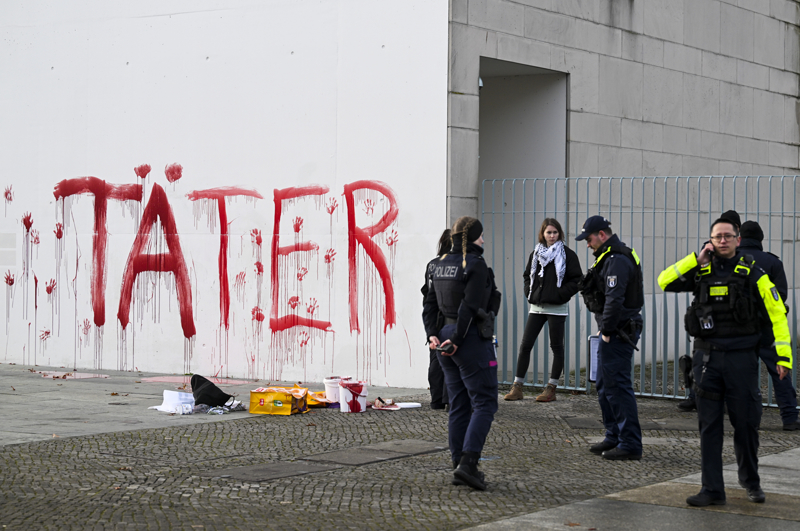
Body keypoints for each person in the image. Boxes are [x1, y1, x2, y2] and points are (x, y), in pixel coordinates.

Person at [658, 218, 793, 507]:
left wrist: (783, 356)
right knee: (709, 426)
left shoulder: (753, 273)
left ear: (737, 239)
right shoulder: (700, 270)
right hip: (707, 360)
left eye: (727, 236)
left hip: (742, 360)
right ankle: (712, 489)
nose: (722, 241)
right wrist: (695, 258)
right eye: (717, 237)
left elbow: (777, 313)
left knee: (745, 425)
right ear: (711, 240)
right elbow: (663, 280)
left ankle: (751, 481)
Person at [422, 216, 501, 490]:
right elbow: (470, 306)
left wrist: (432, 334)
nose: (484, 241)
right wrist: (456, 339)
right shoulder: (475, 264)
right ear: (472, 238)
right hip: (467, 339)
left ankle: (459, 463)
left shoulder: (439, 264)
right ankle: (468, 463)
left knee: (458, 402)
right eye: (481, 236)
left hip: (444, 337)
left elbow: (430, 303)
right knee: (485, 401)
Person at [576, 215, 644, 461]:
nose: (588, 244)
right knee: (605, 385)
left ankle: (630, 443)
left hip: (618, 331)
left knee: (617, 387)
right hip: (612, 330)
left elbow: (615, 300)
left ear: (602, 234)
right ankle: (613, 435)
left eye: (589, 238)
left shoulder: (616, 259)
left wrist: (606, 330)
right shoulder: (609, 257)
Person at [504, 218, 582, 402]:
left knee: (556, 347)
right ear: (543, 234)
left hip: (557, 308)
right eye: (549, 232)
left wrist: (559, 294)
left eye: (555, 232)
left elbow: (577, 280)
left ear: (560, 234)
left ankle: (551, 388)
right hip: (537, 306)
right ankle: (517, 387)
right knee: (525, 345)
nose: (552, 236)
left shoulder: (568, 255)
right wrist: (529, 293)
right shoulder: (536, 254)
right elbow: (526, 276)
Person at [677, 210, 742, 412]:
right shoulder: (709, 249)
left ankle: (716, 399)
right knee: (700, 360)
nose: (722, 239)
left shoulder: (739, 252)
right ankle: (696, 396)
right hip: (706, 311)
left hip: (731, 315)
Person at [738, 220, 799, 431]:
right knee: (779, 371)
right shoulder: (772, 262)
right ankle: (790, 416)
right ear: (760, 240)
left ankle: (743, 416)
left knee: (740, 373)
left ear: (739, 238)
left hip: (738, 330)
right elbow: (780, 297)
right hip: (766, 328)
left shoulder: (730, 260)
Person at [421, 229, 452, 410]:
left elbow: (427, 292)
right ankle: (450, 399)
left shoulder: (432, 265)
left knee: (435, 358)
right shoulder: (458, 265)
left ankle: (436, 399)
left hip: (433, 316)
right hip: (449, 317)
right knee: (451, 358)